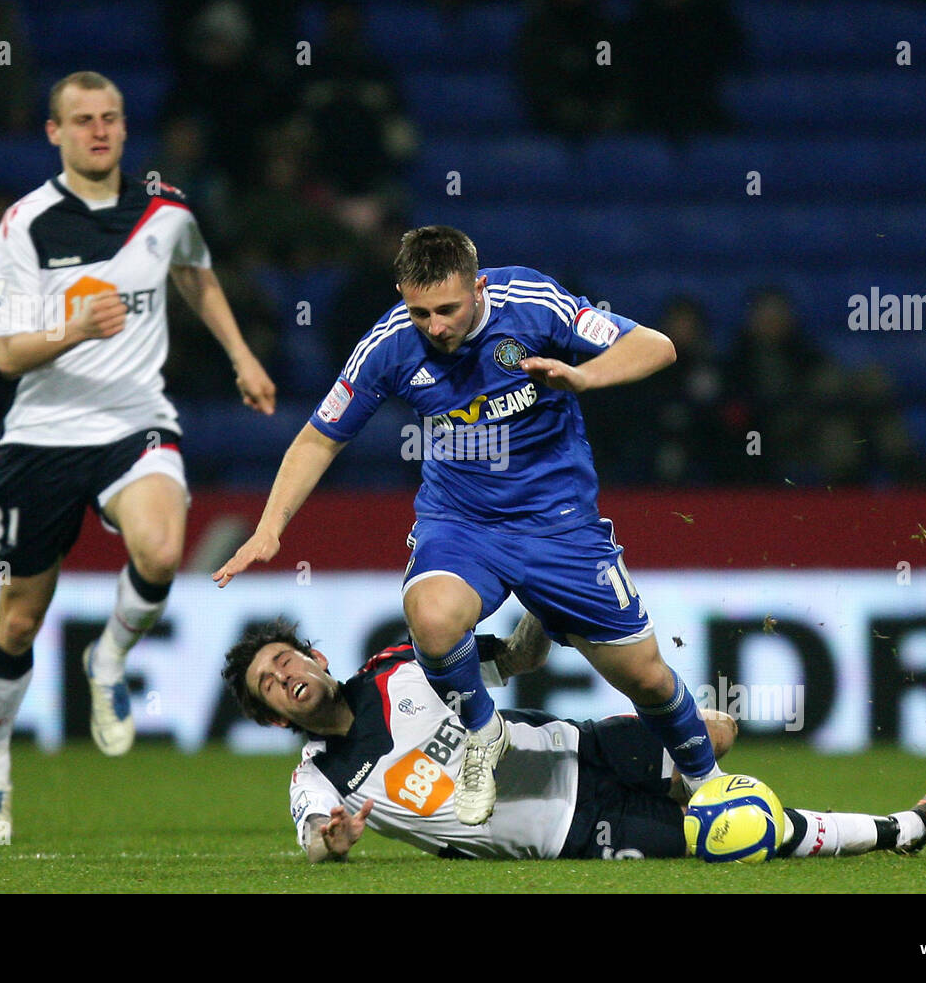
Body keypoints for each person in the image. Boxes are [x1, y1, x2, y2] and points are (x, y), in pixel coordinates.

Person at [214, 225, 723, 826]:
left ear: (478, 287)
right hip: (462, 522)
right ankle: (484, 733)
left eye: (448, 310)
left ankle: (709, 782)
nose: (434, 326)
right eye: (419, 311)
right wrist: (272, 528)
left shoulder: (533, 305)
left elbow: (657, 346)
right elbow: (320, 437)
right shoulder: (389, 344)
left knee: (645, 678)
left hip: (557, 522)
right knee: (430, 618)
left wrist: (586, 376)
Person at [0, 70, 277, 840]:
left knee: (163, 549)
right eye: (81, 120)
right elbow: (6, 354)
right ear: (54, 133)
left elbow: (195, 273)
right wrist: (75, 327)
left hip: (136, 423)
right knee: (17, 623)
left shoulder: (166, 207)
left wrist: (241, 354)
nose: (98, 131)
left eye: (110, 118)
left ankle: (107, 660)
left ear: (124, 127)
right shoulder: (25, 226)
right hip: (41, 439)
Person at [222, 618, 926, 863]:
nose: (284, 674)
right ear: (271, 714)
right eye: (268, 681)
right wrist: (336, 839)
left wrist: (537, 620)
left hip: (577, 748)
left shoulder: (398, 660)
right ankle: (902, 830)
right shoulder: (318, 779)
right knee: (731, 839)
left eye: (286, 659)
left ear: (316, 658)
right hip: (569, 831)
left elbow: (516, 662)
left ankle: (711, 783)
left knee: (716, 730)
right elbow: (315, 843)